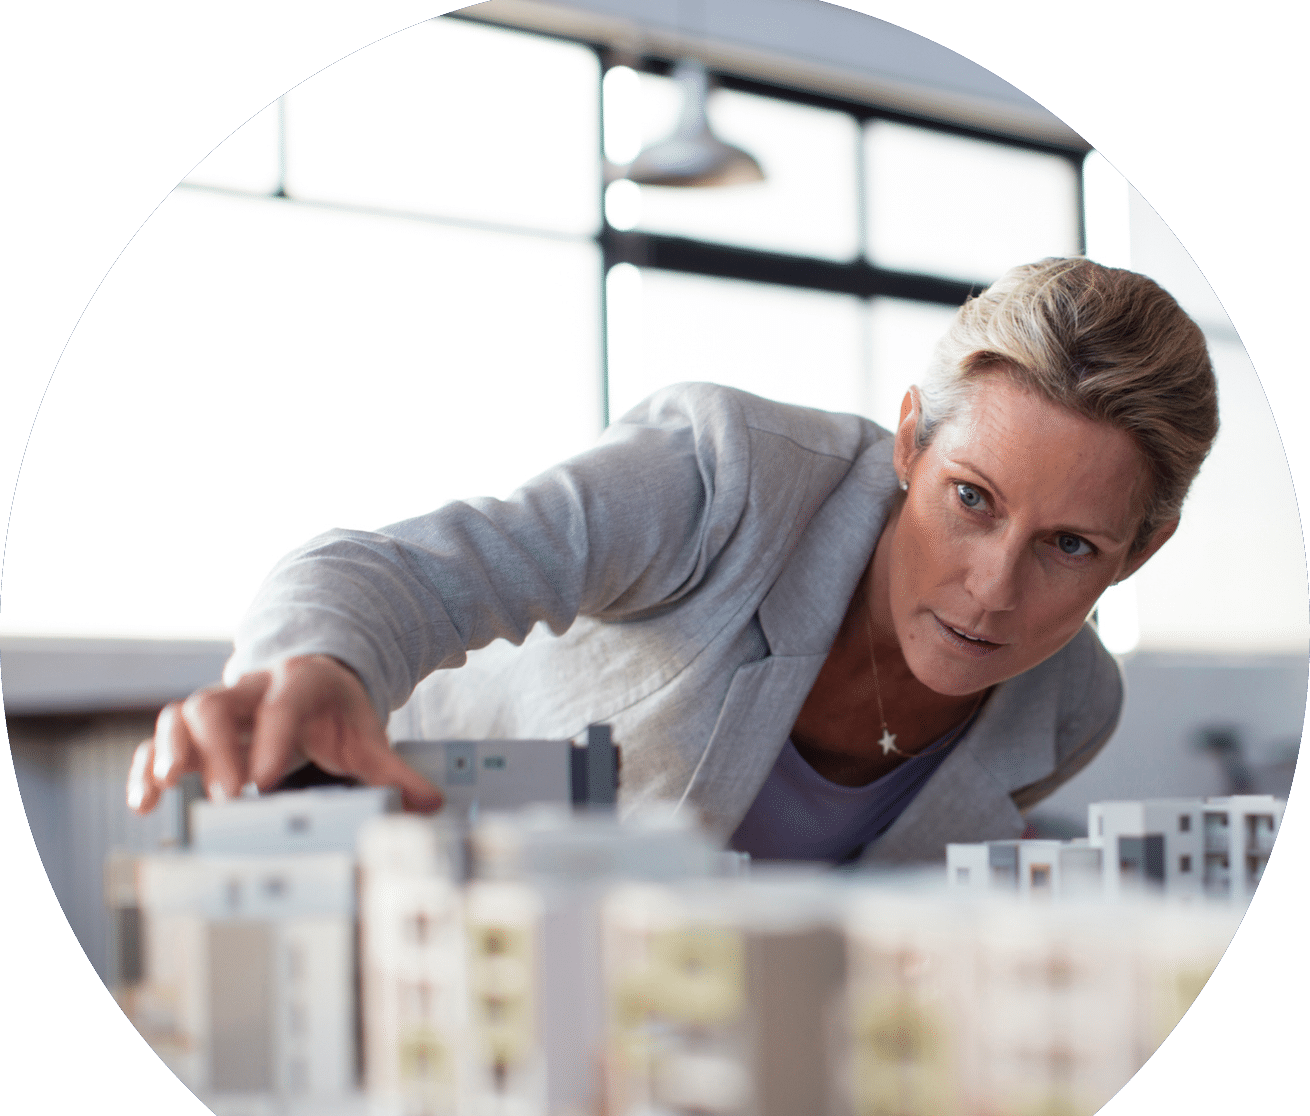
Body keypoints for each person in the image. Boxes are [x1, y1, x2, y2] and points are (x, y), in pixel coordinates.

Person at [127, 258, 1218, 865]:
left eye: (1068, 546)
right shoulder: (726, 476)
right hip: (409, 877)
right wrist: (316, 667)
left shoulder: (1070, 707)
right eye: (968, 500)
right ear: (908, 445)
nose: (991, 588)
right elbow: (397, 572)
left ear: (1138, 551)